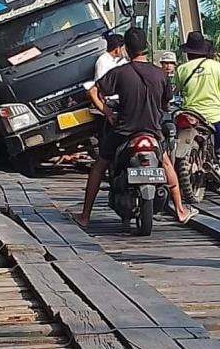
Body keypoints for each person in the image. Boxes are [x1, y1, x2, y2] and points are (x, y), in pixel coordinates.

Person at [74, 28, 197, 227]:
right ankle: (181, 210)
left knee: (99, 166)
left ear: (126, 49)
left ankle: (85, 216)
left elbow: (92, 92)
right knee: (166, 164)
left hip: (124, 131)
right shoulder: (160, 74)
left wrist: (107, 111)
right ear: (146, 48)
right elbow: (166, 103)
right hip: (152, 130)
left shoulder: (120, 72)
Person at [176, 31, 220, 198]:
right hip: (214, 115)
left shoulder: (182, 69)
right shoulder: (216, 67)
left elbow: (176, 90)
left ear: (188, 52)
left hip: (190, 113)